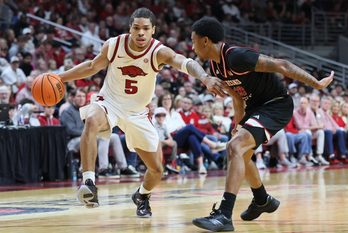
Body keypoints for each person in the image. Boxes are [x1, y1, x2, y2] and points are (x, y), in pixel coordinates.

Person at [58, 8, 225, 217]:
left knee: (156, 170)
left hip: (138, 113)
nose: (140, 33)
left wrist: (205, 77)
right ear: (130, 28)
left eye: (146, 28)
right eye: (136, 28)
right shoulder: (114, 45)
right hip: (109, 103)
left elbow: (185, 62)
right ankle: (89, 183)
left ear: (153, 30)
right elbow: (92, 66)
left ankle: (142, 195)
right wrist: (60, 78)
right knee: (91, 119)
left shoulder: (158, 51)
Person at [190, 16, 333, 232]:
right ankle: (262, 200)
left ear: (205, 41)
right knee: (240, 151)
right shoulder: (215, 66)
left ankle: (224, 215)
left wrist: (316, 84)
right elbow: (238, 98)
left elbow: (282, 65)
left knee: (236, 147)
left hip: (276, 105)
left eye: (193, 41)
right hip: (254, 108)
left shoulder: (237, 56)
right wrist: (237, 125)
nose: (192, 47)